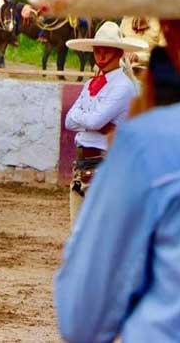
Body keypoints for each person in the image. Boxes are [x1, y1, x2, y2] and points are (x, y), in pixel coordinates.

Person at [31, 0, 180, 342]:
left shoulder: (151, 141)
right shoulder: (112, 82)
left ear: (175, 32)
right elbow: (79, 116)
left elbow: (83, 320)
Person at [61, 22, 144, 225]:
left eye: (106, 52)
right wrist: (92, 122)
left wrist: (89, 119)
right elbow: (69, 120)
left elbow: (92, 120)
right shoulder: (92, 84)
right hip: (84, 164)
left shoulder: (123, 87)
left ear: (118, 53)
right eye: (98, 51)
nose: (101, 56)